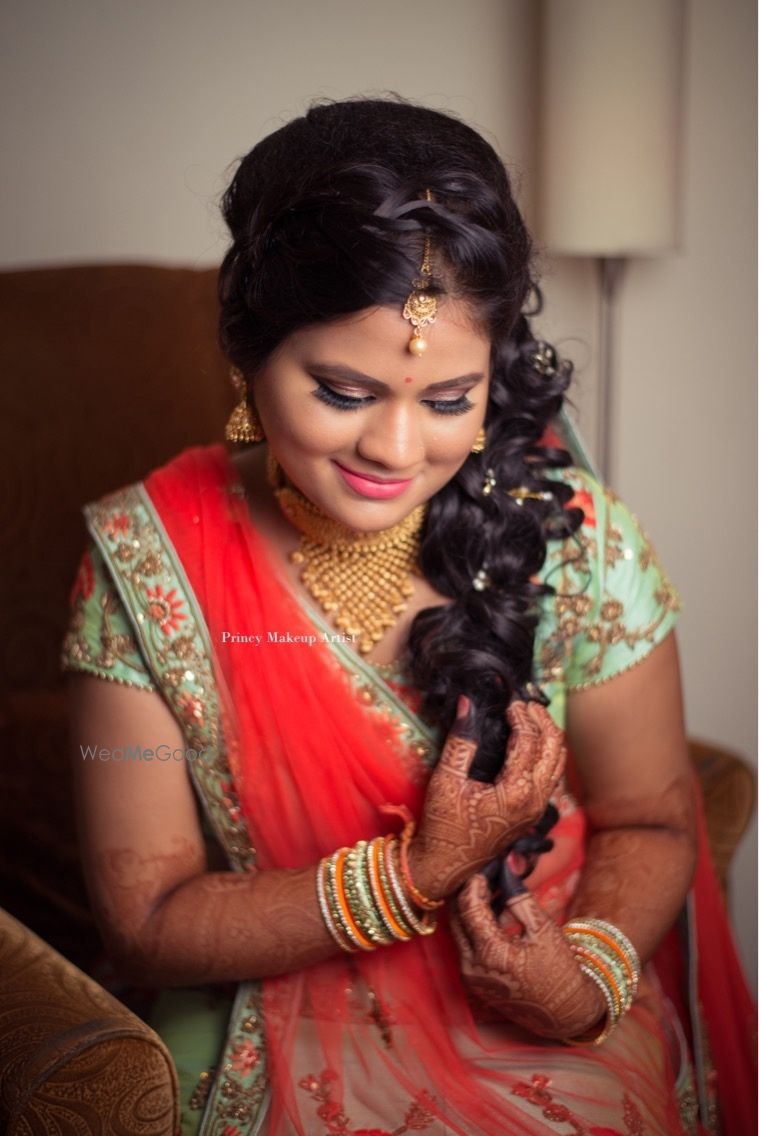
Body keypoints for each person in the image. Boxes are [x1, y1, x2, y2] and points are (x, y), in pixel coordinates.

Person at [62, 98, 753, 1136]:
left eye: (445, 400)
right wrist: (409, 874)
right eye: (343, 391)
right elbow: (147, 919)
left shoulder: (576, 542)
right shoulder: (145, 559)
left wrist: (585, 979)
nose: (393, 449)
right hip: (271, 1003)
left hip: (539, 995)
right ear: (249, 358)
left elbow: (651, 819)